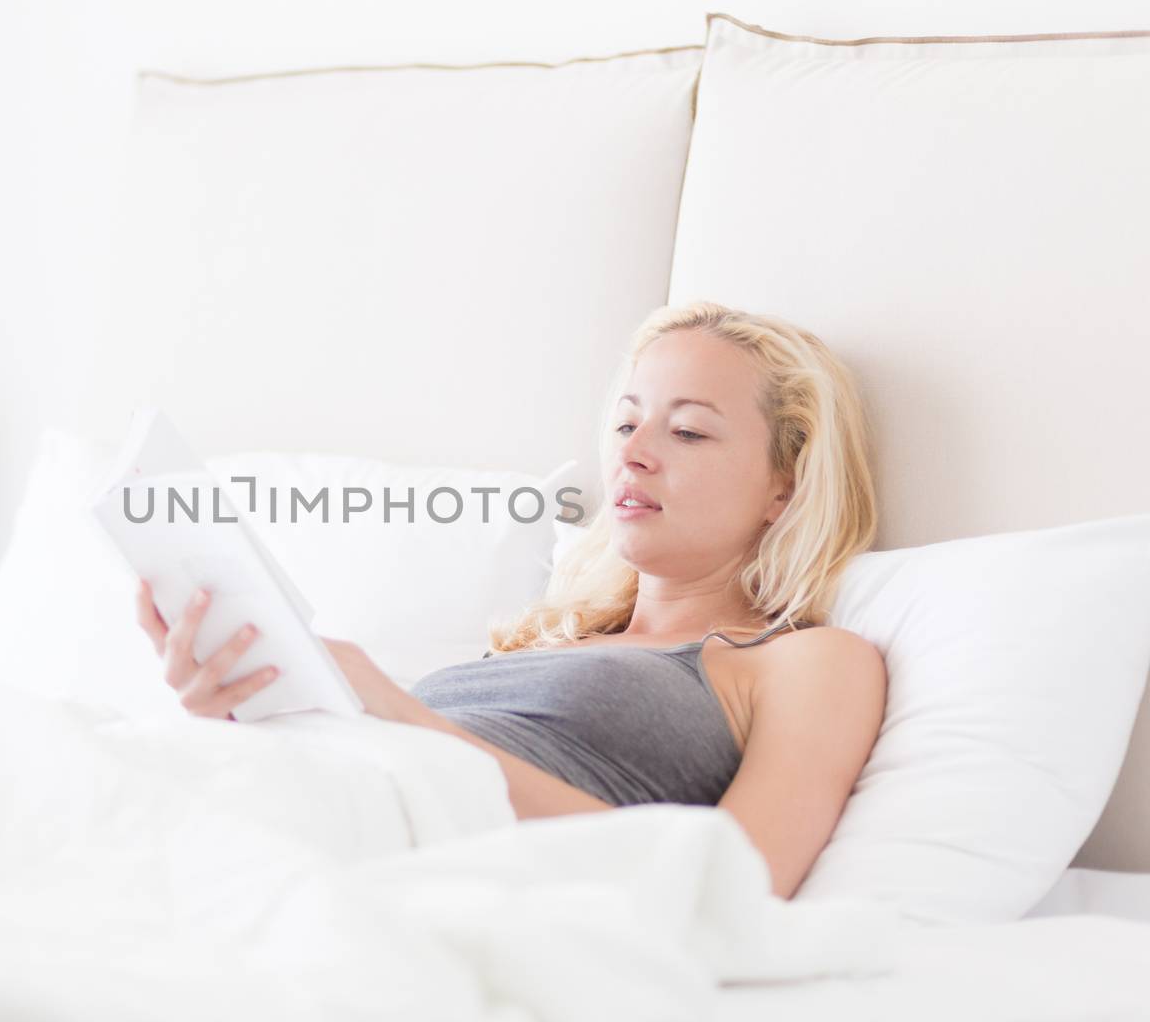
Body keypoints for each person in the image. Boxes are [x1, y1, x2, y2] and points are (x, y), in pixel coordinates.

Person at [133, 300, 886, 901]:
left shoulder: (808, 660)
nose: (633, 450)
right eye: (626, 422)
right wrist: (246, 704)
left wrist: (405, 717)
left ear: (784, 486)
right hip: (289, 807)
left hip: (393, 861)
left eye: (687, 430)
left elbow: (735, 889)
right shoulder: (542, 637)